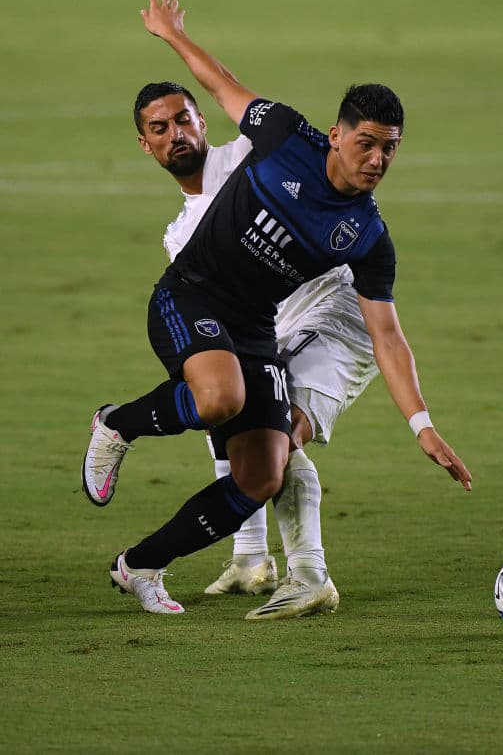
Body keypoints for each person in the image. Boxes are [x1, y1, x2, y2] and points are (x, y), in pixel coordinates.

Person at [83, 0, 472, 616]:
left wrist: (421, 426)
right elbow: (223, 84)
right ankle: (117, 424)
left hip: (257, 327)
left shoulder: (369, 237)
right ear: (337, 134)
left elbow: (389, 335)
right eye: (366, 143)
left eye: (390, 148)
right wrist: (172, 35)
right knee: (221, 399)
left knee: (262, 470)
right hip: (193, 295)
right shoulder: (283, 134)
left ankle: (142, 564)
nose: (377, 160)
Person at [130, 79, 382, 619]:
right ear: (145, 144)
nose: (176, 134)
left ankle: (310, 575)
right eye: (160, 128)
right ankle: (250, 558)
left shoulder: (250, 156)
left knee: (283, 434)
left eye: (183, 120)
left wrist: (176, 36)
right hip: (268, 325)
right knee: (229, 403)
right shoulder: (179, 238)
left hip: (333, 315)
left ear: (202, 122)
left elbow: (295, 141)